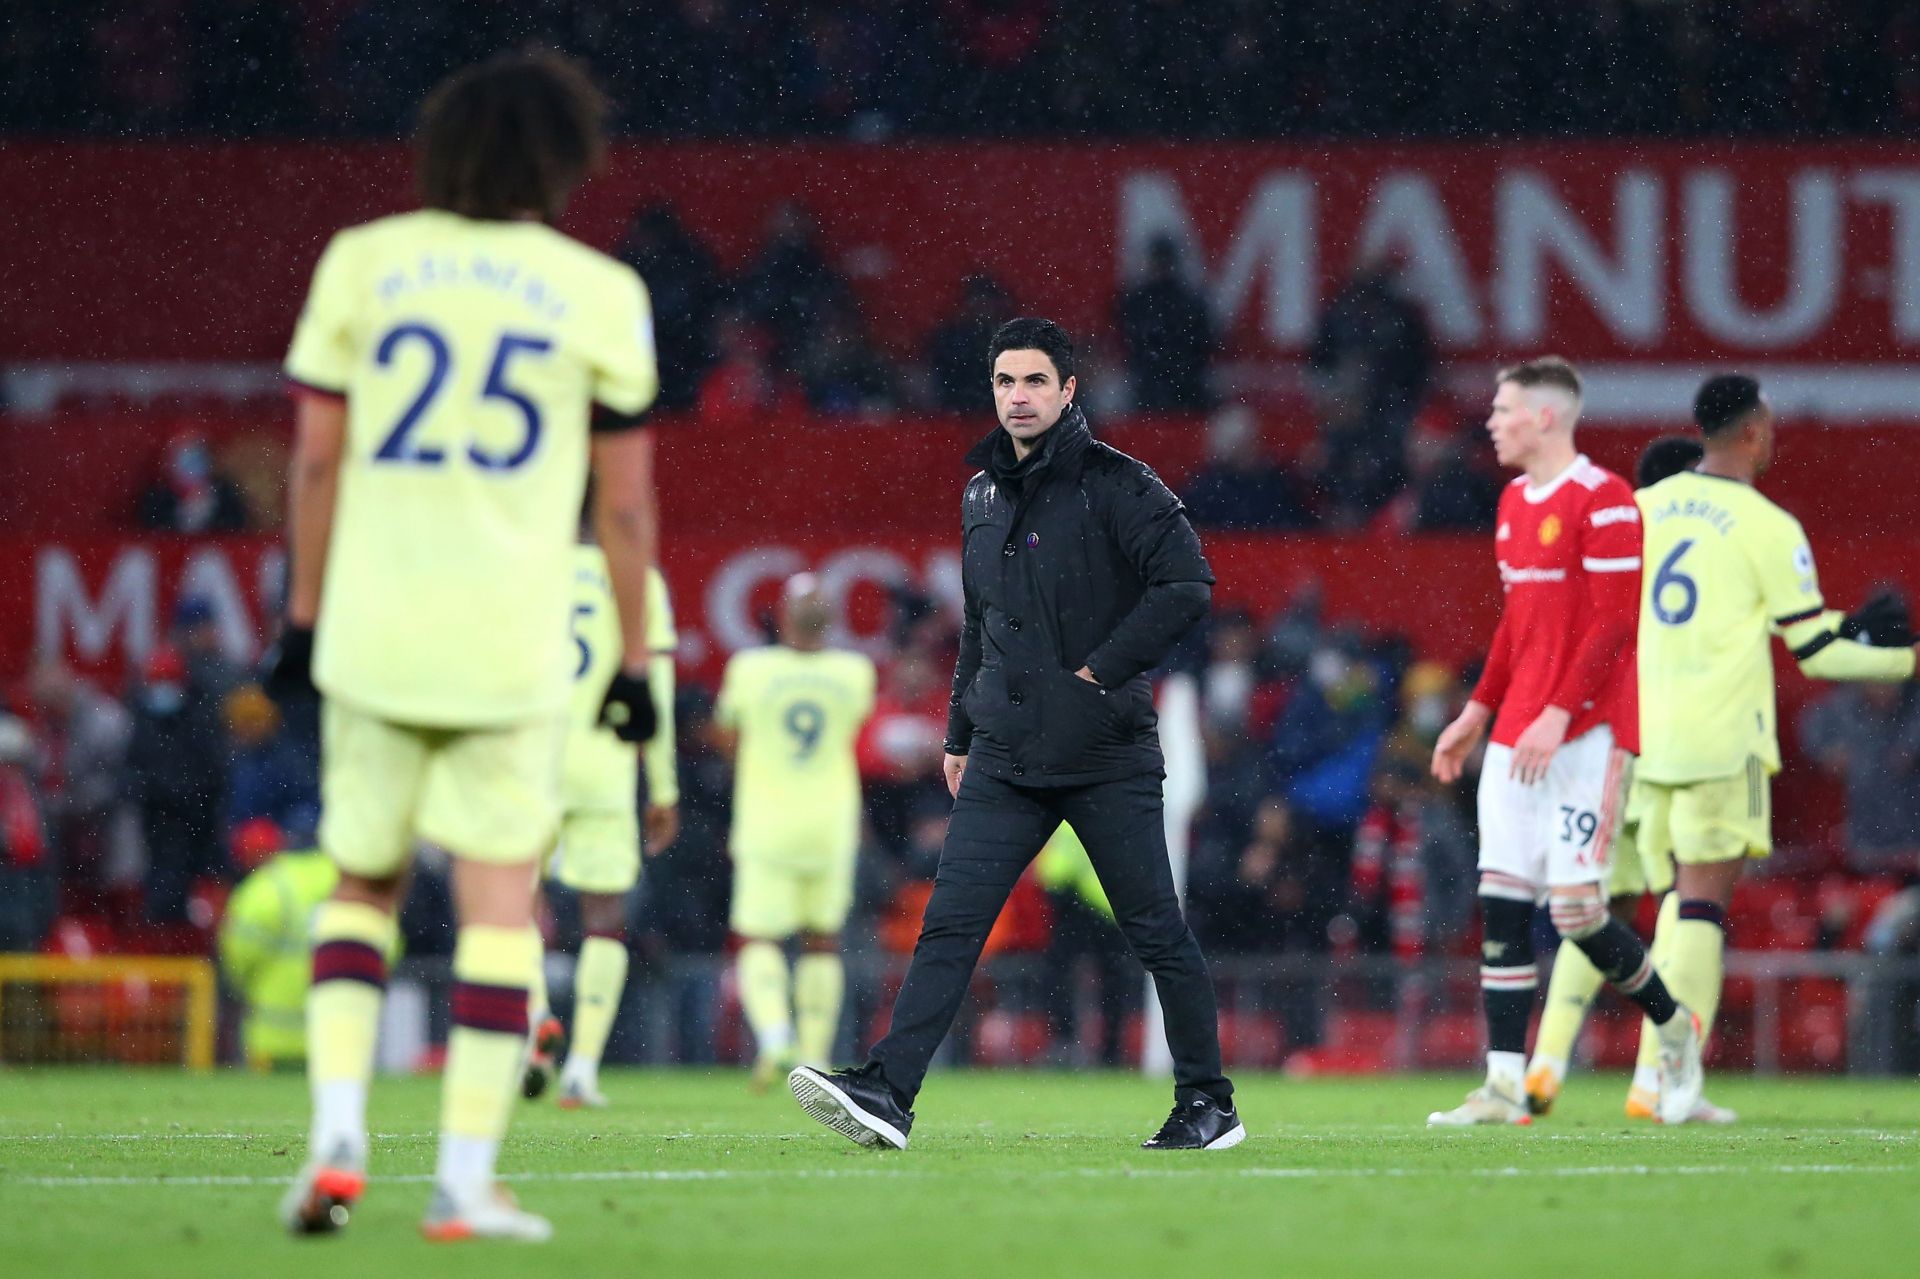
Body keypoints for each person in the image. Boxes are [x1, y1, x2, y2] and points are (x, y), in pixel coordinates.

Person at [267, 51, 662, 1243]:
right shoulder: (598, 290)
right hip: (510, 639)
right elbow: (626, 509)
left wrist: (300, 619)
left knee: (363, 884)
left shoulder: (364, 261)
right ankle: (463, 1180)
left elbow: (318, 462)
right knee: (500, 904)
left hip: (375, 627)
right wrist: (636, 666)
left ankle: (337, 1132)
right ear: (565, 159)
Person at [789, 317, 1242, 1152]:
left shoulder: (1121, 484)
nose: (1019, 396)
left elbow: (1186, 584)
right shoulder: (981, 492)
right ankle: (889, 1093)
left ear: (1070, 390)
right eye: (1005, 381)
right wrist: (960, 731)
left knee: (1153, 931)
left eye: (1036, 381)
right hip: (1004, 751)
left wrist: (1100, 674)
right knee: (950, 922)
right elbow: (981, 627)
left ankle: (1209, 1102)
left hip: (1105, 753)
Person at [1623, 373, 1918, 1119]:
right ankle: (1671, 1081)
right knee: (1701, 910)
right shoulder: (1766, 525)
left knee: (1669, 903)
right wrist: (1905, 657)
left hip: (1643, 735)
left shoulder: (1640, 509)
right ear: (1752, 430)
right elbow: (1814, 649)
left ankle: (1649, 1075)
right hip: (1720, 738)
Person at [1428, 357, 1703, 1128]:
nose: (1492, 420)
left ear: (1545, 417)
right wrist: (1478, 712)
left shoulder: (1607, 500)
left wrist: (1560, 709)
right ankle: (1506, 1082)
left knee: (1578, 910)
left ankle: (1674, 1027)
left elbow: (1615, 622)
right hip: (1519, 734)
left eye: (1504, 408)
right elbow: (1520, 624)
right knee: (1504, 902)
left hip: (1590, 737)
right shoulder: (1514, 502)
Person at [1523, 435, 1738, 1123]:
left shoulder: (1608, 529)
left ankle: (1546, 1063)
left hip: (1600, 740)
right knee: (1685, 894)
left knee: (1594, 903)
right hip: (1670, 742)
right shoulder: (1710, 538)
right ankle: (1656, 1076)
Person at [523, 536, 679, 1108]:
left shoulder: (527, 563)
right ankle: (582, 1071)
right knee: (604, 919)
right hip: (605, 764)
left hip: (532, 760)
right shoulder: (636, 576)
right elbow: (655, 686)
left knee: (511, 901)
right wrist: (662, 787)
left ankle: (537, 1019)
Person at [715, 575, 876, 1090]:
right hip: (830, 823)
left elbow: (726, 735)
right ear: (831, 622)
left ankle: (775, 1036)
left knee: (759, 937)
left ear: (780, 617)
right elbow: (854, 725)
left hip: (767, 821)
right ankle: (813, 1057)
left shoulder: (750, 669)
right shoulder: (854, 672)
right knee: (822, 941)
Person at [217, 820, 342, 1070]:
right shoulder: (348, 883)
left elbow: (238, 954)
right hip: (340, 1036)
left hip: (273, 1037)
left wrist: (243, 985)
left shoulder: (267, 886)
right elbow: (385, 945)